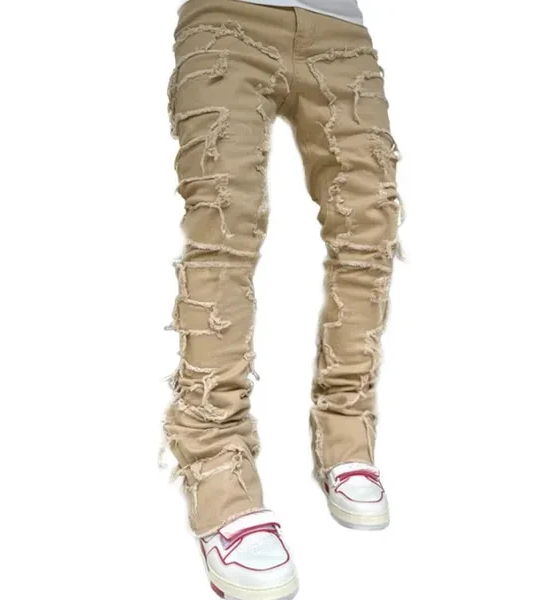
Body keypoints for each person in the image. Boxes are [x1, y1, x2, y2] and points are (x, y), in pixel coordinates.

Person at [163, 1, 401, 598]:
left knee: (369, 228)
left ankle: (346, 436)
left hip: (341, 25)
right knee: (223, 229)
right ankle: (218, 475)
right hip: (229, 16)